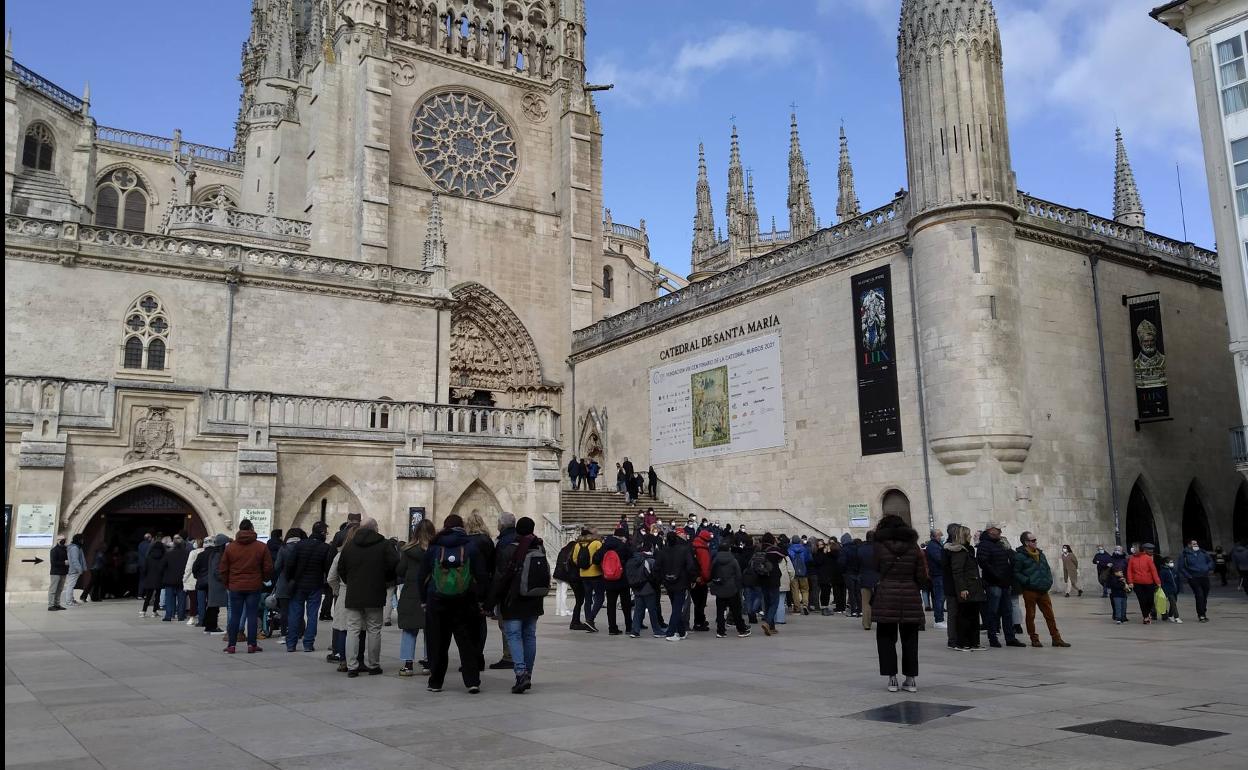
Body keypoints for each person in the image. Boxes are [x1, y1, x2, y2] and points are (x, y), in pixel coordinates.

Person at [418, 514, 488, 694]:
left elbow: (422, 576)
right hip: (465, 601)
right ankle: (472, 681)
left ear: (445, 527)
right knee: (467, 642)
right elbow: (482, 576)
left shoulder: (434, 546)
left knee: (438, 642)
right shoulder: (470, 546)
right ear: (462, 526)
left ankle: (435, 682)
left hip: (437, 601)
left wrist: (424, 600)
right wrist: (481, 599)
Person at [488, 516, 546, 694]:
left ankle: (520, 672)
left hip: (513, 601)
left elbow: (500, 578)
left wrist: (491, 602)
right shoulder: (539, 547)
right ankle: (528, 672)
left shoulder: (508, 549)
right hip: (534, 599)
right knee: (529, 636)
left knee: (513, 635)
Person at [872, 514, 929, 692]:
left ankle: (892, 679)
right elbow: (921, 575)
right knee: (910, 638)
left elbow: (875, 568)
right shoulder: (914, 548)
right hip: (910, 595)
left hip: (886, 595)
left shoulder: (879, 547)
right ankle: (911, 679)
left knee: (886, 637)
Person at [337, 517, 398, 677]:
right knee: (374, 630)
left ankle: (352, 666)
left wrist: (351, 582)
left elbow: (341, 569)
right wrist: (384, 579)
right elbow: (394, 564)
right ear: (375, 528)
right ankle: (373, 665)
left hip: (354, 594)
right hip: (375, 593)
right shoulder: (384, 545)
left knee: (353, 630)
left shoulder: (349, 546)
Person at [219, 519, 274, 654]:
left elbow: (223, 568)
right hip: (254, 585)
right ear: (251, 528)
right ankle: (252, 644)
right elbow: (268, 567)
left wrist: (227, 583)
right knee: (252, 614)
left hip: (235, 586)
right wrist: (263, 579)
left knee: (235, 616)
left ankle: (232, 645)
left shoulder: (230, 547)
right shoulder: (261, 547)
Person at [1013, 531, 1070, 647]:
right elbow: (1016, 572)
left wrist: (1049, 581)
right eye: (1033, 540)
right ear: (1026, 542)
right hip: (1030, 590)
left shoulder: (1040, 554)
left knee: (1050, 615)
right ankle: (1034, 639)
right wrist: (1027, 581)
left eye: (1035, 540)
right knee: (1031, 615)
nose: (1035, 542)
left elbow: (1047, 569)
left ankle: (1056, 638)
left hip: (1043, 590)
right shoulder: (1019, 556)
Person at [287, 521, 335, 652]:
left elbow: (290, 564)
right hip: (315, 584)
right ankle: (308, 644)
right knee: (312, 615)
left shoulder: (300, 545)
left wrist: (290, 579)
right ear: (323, 533)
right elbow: (328, 568)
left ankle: (291, 643)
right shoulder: (325, 548)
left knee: (295, 614)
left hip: (298, 584)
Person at [397, 519, 435, 676]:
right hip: (431, 593)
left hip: (411, 593)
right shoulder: (436, 550)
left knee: (409, 629)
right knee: (430, 629)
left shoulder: (407, 551)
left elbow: (400, 570)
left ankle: (408, 665)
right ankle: (428, 662)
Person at [976, 525, 1023, 648]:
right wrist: (997, 576)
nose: (1000, 532)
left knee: (1007, 611)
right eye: (998, 530)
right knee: (993, 612)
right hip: (993, 583)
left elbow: (1008, 560)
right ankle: (993, 637)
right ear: (991, 531)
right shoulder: (984, 544)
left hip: (1005, 583)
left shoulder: (1000, 543)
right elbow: (983, 562)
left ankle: (1010, 637)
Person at [464, 512, 496, 670]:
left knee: (468, 623)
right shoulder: (488, 541)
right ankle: (479, 656)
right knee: (481, 622)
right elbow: (492, 564)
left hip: (468, 586)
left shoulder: (466, 541)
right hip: (485, 586)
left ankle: (471, 658)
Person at [945, 525, 985, 651]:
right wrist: (962, 588)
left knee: (973, 616)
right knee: (965, 617)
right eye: (968, 534)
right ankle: (964, 642)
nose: (971, 536)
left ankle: (974, 642)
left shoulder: (968, 549)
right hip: (967, 588)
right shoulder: (959, 551)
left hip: (974, 586)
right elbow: (958, 571)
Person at [488, 513, 518, 670]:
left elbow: (498, 571)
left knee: (506, 625)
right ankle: (519, 657)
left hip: (506, 591)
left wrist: (492, 597)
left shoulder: (502, 543)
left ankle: (510, 657)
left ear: (501, 525)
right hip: (522, 589)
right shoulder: (523, 539)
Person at [656, 528, 697, 640]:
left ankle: (682, 631)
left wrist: (662, 578)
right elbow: (690, 566)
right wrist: (693, 579)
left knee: (675, 606)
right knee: (677, 608)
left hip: (668, 582)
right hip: (681, 582)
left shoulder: (662, 551)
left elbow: (657, 567)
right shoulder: (684, 550)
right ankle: (670, 632)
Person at [710, 541, 750, 638]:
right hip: (732, 588)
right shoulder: (733, 560)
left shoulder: (715, 560)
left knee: (720, 611)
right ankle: (741, 630)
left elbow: (712, 573)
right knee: (736, 611)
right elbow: (738, 575)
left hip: (719, 588)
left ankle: (720, 631)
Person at [599, 527, 634, 635]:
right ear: (622, 536)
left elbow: (596, 558)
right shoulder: (623, 546)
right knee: (626, 604)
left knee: (611, 604)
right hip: (622, 579)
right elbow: (631, 556)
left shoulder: (605, 545)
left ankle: (612, 628)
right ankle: (629, 627)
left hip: (608, 579)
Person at [627, 541, 664, 637]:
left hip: (636, 588)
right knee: (652, 610)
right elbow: (655, 575)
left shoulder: (633, 560)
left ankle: (635, 630)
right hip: (648, 588)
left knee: (638, 610)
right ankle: (657, 630)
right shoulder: (650, 561)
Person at [572, 527, 604, 632]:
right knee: (600, 598)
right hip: (596, 574)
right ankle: (590, 620)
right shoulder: (596, 543)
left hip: (583, 575)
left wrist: (583, 566)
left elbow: (574, 559)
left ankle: (588, 621)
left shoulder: (577, 545)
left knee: (588, 599)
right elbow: (601, 556)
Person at [755, 533, 785, 635]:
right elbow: (785, 553)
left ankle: (771, 627)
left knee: (767, 602)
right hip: (773, 578)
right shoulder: (774, 550)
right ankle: (768, 623)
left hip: (762, 578)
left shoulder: (758, 549)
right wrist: (778, 543)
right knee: (775, 602)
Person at [1177, 539, 1213, 623]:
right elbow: (1181, 567)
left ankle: (1203, 611)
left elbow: (1210, 561)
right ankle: (1201, 615)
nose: (1196, 545)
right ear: (1189, 545)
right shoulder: (1184, 555)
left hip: (1204, 577)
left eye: (1196, 543)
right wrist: (1189, 576)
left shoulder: (1203, 552)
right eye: (1194, 544)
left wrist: (1208, 567)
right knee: (1199, 595)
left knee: (1204, 595)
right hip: (1194, 578)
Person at [1126, 542, 1161, 624]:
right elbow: (1129, 571)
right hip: (1137, 583)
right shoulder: (1131, 558)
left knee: (1150, 600)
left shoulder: (1147, 558)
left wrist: (1157, 581)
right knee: (1142, 600)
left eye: (1133, 548)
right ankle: (1145, 616)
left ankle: (1148, 613)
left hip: (1148, 582)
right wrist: (1130, 582)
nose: (1132, 549)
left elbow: (1153, 570)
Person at [553, 537, 583, 627]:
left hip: (557, 573)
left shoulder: (563, 550)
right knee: (563, 592)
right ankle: (562, 611)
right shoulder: (571, 551)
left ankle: (558, 610)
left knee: (559, 592)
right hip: (564, 574)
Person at [161, 534, 190, 621]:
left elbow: (162, 566)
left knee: (169, 598)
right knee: (181, 599)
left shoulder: (168, 554)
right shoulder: (187, 554)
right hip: (181, 579)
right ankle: (181, 616)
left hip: (169, 579)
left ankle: (169, 615)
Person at [689, 529, 713, 632]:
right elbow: (705, 566)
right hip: (701, 580)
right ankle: (699, 623)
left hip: (693, 578)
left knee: (697, 602)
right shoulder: (703, 549)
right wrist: (707, 578)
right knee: (701, 603)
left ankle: (700, 620)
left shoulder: (692, 546)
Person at [923, 529, 946, 628]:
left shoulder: (936, 545)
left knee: (941, 597)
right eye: (940, 535)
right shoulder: (933, 546)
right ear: (935, 536)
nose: (941, 537)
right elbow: (940, 559)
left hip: (940, 574)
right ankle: (938, 620)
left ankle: (940, 618)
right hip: (937, 575)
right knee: (939, 598)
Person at [139, 538, 167, 619]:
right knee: (157, 596)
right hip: (159, 578)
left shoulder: (148, 557)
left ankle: (143, 611)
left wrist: (146, 575)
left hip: (150, 578)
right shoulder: (163, 557)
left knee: (148, 596)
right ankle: (154, 612)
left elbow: (144, 569)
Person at [787, 536, 811, 616]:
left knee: (795, 591)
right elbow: (809, 559)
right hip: (804, 572)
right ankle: (805, 605)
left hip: (794, 573)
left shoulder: (789, 549)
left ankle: (797, 608)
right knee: (805, 590)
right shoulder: (804, 549)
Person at [859, 531, 878, 630]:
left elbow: (858, 564)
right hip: (878, 578)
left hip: (865, 578)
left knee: (866, 603)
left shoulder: (861, 549)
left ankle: (866, 624)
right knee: (881, 601)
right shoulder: (880, 549)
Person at [840, 533, 862, 618]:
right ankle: (860, 611)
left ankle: (853, 611)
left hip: (849, 573)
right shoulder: (857, 548)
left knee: (851, 592)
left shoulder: (844, 549)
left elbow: (842, 562)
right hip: (858, 573)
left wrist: (843, 571)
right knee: (858, 593)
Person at [46, 537, 69, 611]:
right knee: (53, 589)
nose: (63, 540)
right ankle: (51, 605)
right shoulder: (54, 550)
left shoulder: (65, 549)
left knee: (59, 589)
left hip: (63, 572)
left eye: (64, 539)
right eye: (61, 539)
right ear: (58, 540)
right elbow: (53, 562)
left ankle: (57, 604)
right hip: (55, 572)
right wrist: (64, 563)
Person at [1159, 555, 1182, 623]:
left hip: (1175, 589)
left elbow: (1177, 580)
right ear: (1165, 563)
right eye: (1170, 562)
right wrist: (1164, 590)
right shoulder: (1163, 571)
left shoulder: (1174, 570)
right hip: (1168, 590)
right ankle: (1176, 617)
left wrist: (1178, 588)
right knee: (1173, 603)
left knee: (1174, 602)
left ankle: (1170, 615)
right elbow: (1162, 582)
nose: (1172, 563)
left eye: (1172, 562)